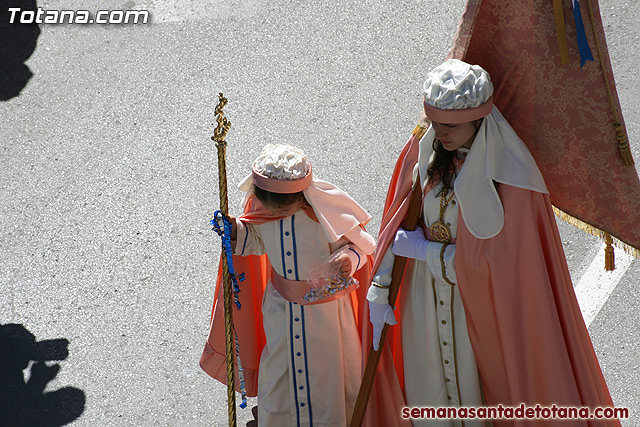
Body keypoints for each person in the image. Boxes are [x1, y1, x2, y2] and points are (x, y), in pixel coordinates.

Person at [363, 59, 620, 426]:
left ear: (479, 119)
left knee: (482, 396)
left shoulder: (512, 175)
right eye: (434, 122)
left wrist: (424, 251)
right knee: (429, 395)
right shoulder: (424, 148)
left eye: (451, 126)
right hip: (424, 301)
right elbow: (397, 223)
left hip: (482, 308)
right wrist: (380, 285)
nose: (439, 133)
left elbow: (501, 264)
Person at [201, 144, 375, 427]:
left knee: (327, 374)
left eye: (282, 207)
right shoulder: (265, 210)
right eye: (267, 206)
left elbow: (361, 248)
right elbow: (256, 241)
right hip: (280, 310)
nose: (273, 212)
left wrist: (348, 259)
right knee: (280, 369)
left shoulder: (324, 214)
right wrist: (235, 231)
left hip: (326, 316)